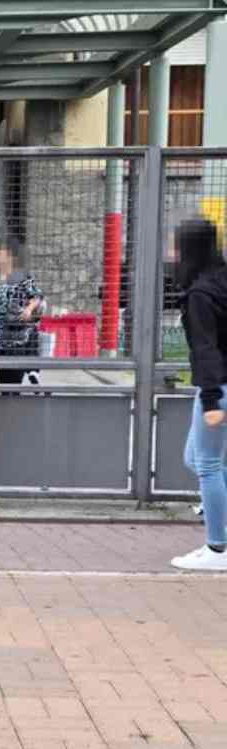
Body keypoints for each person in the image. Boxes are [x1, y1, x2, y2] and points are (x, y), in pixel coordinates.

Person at [171, 218, 227, 571]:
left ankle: (217, 548)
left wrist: (209, 399)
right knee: (197, 459)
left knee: (206, 464)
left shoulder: (200, 295)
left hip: (216, 387)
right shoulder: (219, 281)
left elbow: (205, 349)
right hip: (219, 384)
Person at [0, 237, 44, 387]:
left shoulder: (22, 278)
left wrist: (28, 309)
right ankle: (28, 375)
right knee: (5, 382)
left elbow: (37, 296)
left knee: (13, 382)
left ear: (10, 257)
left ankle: (31, 372)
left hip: (15, 337)